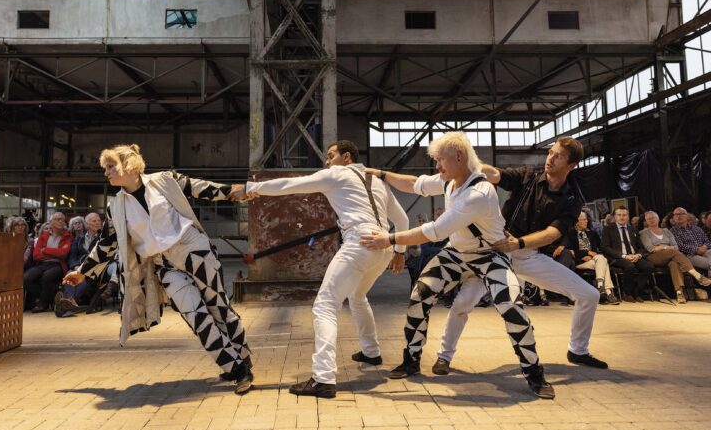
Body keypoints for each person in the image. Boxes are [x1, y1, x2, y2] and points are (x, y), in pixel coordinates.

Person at [360, 131, 554, 399]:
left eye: (441, 159)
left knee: (510, 306)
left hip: (489, 255)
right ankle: (411, 360)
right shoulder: (449, 181)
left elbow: (435, 231)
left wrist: (389, 239)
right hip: (457, 253)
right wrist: (381, 174)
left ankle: (534, 373)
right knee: (420, 295)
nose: (437, 165)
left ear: (459, 157)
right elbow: (415, 184)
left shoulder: (478, 193)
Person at [62, 144, 253, 395]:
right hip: (164, 265)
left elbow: (198, 187)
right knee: (195, 315)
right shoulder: (115, 207)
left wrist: (233, 191)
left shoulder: (164, 180)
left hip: (193, 250)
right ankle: (237, 369)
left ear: (128, 165)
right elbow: (106, 244)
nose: (106, 173)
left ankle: (242, 357)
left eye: (110, 167)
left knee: (219, 307)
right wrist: (82, 271)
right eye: (105, 168)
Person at [234, 140, 409, 399]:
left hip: (359, 242)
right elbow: (403, 220)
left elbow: (290, 185)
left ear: (346, 157)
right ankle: (371, 352)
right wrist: (400, 253)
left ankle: (323, 378)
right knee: (358, 297)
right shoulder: (378, 181)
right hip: (383, 246)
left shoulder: (337, 174)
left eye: (330, 156)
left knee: (325, 305)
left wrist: (251, 188)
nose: (327, 162)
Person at [426, 137, 607, 374]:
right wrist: (470, 166)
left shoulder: (572, 198)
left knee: (589, 295)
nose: (550, 158)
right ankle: (444, 356)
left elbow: (553, 233)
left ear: (571, 165)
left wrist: (519, 243)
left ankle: (578, 350)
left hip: (528, 254)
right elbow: (495, 174)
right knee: (463, 302)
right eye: (551, 153)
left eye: (559, 156)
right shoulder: (528, 177)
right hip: (494, 253)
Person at [640, 210, 711, 303]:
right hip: (653, 257)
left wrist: (661, 247)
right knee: (672, 252)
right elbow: (650, 248)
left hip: (671, 255)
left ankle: (679, 292)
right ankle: (696, 274)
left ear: (658, 219)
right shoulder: (643, 233)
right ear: (646, 221)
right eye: (649, 219)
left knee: (674, 263)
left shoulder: (666, 231)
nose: (651, 220)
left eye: (653, 218)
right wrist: (666, 247)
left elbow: (676, 246)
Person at [601, 207, 654, 302]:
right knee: (630, 266)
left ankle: (636, 291)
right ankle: (627, 293)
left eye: (624, 215)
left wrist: (638, 255)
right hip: (618, 257)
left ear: (628, 216)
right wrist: (624, 256)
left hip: (633, 256)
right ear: (615, 216)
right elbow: (605, 247)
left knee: (649, 267)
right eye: (619, 215)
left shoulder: (633, 229)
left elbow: (641, 247)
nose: (622, 217)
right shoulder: (608, 229)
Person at [567, 210, 619, 305]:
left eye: (586, 219)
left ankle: (601, 287)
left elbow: (600, 248)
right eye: (583, 220)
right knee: (604, 262)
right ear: (577, 221)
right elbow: (571, 251)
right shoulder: (570, 233)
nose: (586, 221)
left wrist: (593, 255)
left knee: (601, 259)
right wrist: (586, 253)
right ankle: (608, 292)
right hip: (579, 261)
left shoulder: (592, 233)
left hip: (594, 260)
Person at [25, 212, 73, 312]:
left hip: (58, 264)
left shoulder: (68, 236)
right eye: (57, 219)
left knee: (47, 276)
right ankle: (50, 297)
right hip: (42, 264)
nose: (61, 221)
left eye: (62, 219)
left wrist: (45, 250)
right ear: (51, 222)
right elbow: (36, 255)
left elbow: (63, 253)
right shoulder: (44, 235)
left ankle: (43, 303)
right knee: (26, 278)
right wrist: (55, 252)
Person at [671, 207, 711, 274]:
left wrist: (704, 247)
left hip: (705, 251)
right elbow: (679, 246)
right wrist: (696, 250)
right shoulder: (673, 231)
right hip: (690, 255)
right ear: (673, 217)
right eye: (676, 214)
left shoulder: (697, 229)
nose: (679, 216)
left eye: (681, 214)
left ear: (687, 216)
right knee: (708, 263)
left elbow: (707, 241)